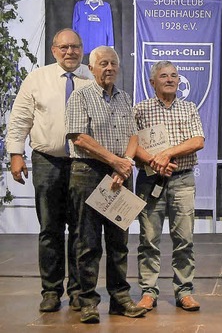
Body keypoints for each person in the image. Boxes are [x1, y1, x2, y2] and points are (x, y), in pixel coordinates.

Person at [6, 28, 92, 313]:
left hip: (85, 164)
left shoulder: (92, 79)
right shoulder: (37, 79)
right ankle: (51, 291)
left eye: (75, 47)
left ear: (82, 49)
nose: (70, 52)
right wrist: (16, 155)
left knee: (82, 230)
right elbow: (19, 118)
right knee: (50, 229)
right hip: (47, 162)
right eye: (64, 47)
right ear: (54, 50)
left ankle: (79, 291)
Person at [65, 46, 146, 324]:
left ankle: (120, 298)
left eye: (113, 63)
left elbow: (134, 137)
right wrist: (115, 161)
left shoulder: (124, 98)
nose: (108, 68)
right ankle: (87, 301)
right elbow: (79, 138)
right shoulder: (80, 95)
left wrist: (124, 164)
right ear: (91, 68)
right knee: (87, 242)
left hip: (119, 174)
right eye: (103, 63)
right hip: (88, 172)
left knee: (119, 242)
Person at [133, 61, 205, 312]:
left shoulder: (189, 107)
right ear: (152, 82)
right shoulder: (139, 110)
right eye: (164, 76)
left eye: (174, 75)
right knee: (148, 240)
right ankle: (148, 292)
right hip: (149, 180)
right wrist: (154, 160)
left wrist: (168, 153)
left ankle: (184, 291)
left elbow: (198, 140)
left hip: (183, 179)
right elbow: (131, 144)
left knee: (184, 239)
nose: (170, 79)